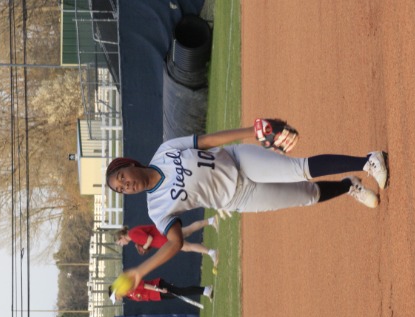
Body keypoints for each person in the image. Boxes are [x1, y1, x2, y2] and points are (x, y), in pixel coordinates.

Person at [105, 118, 389, 291]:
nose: (126, 185)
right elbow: (175, 242)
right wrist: (141, 272)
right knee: (308, 195)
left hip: (238, 161)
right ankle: (349, 185)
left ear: (130, 165)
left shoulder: (164, 152)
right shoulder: (156, 208)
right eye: (121, 189)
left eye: (121, 177)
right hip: (240, 198)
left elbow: (206, 141)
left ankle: (368, 161)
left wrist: (252, 131)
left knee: (299, 169)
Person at [115, 220, 219, 266]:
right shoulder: (133, 235)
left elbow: (149, 239)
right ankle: (211, 221)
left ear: (122, 237)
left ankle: (212, 252)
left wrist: (144, 247)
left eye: (120, 243)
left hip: (165, 238)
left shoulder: (133, 235)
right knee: (188, 231)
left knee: (188, 246)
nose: (122, 245)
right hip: (165, 235)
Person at [108, 277, 213, 302]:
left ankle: (205, 290)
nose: (117, 299)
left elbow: (144, 286)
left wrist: (159, 289)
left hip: (158, 288)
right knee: (181, 293)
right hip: (158, 296)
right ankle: (205, 290)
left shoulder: (128, 286)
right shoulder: (128, 295)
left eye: (115, 297)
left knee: (181, 292)